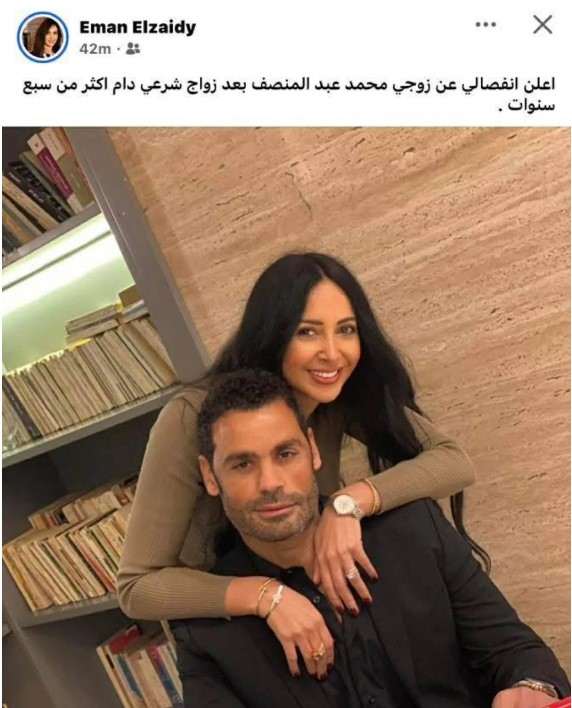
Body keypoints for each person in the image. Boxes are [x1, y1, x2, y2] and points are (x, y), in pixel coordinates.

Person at [118, 252, 484, 674]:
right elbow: (137, 586)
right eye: (308, 332)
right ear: (273, 335)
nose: (332, 353)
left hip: (311, 600)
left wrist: (348, 504)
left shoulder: (336, 399)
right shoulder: (193, 417)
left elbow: (453, 461)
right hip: (230, 631)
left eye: (346, 330)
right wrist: (266, 596)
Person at [171, 369, 570, 708]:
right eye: (242, 464)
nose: (270, 483)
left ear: (312, 451)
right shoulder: (204, 632)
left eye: (286, 454)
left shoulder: (413, 530)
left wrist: (532, 687)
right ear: (210, 477)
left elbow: (514, 651)